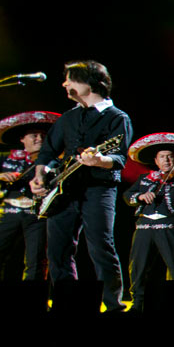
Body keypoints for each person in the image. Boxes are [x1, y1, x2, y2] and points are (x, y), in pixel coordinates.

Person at [29, 60, 133, 312]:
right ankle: (68, 303)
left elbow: (119, 157)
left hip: (99, 188)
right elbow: (48, 153)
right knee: (58, 250)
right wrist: (39, 176)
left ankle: (113, 305)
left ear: (91, 83)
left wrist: (99, 159)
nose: (65, 84)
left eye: (71, 79)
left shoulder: (117, 118)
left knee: (100, 245)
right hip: (64, 191)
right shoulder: (69, 117)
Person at [122, 132, 174, 312]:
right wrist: (140, 196)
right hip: (145, 226)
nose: (166, 160)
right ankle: (138, 301)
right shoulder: (145, 179)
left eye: (170, 157)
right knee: (138, 266)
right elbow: (127, 196)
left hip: (171, 226)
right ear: (156, 161)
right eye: (162, 157)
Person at [0, 111, 58, 286]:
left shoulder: (53, 161)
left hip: (36, 214)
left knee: (36, 259)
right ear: (22, 138)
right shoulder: (5, 156)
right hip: (9, 210)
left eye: (43, 135)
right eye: (34, 135)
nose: (39, 138)